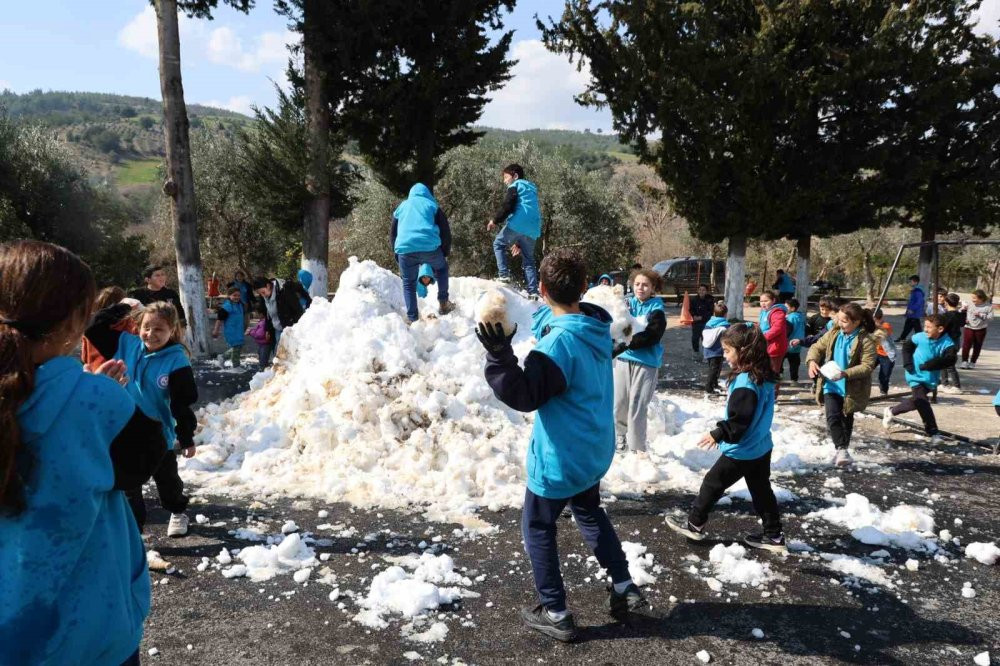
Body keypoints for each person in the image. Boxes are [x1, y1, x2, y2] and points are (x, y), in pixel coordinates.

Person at [0, 240, 166, 666]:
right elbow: (145, 457)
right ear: (74, 321)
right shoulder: (95, 403)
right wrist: (101, 394)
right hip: (88, 634)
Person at [477, 247, 645, 642]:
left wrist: (500, 356)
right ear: (584, 288)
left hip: (560, 458)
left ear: (542, 288)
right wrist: (542, 308)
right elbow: (556, 323)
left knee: (538, 526)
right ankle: (623, 584)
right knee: (589, 512)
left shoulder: (553, 351)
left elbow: (524, 396)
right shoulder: (593, 325)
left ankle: (555, 611)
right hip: (592, 450)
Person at [666, 323, 785, 552]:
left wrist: (718, 433)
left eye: (728, 350)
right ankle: (774, 535)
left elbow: (740, 420)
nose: (724, 355)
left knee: (712, 484)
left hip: (742, 450)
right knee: (762, 492)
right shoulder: (762, 376)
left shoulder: (745, 384)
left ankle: (695, 524)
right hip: (760, 446)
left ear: (745, 352)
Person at [86, 301, 198, 537]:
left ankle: (177, 510)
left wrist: (185, 436)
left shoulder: (176, 360)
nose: (151, 334)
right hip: (124, 432)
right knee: (128, 487)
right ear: (138, 327)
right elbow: (92, 328)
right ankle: (134, 531)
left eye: (159, 329)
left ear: (172, 330)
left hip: (158, 436)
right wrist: (122, 307)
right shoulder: (126, 344)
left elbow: (181, 403)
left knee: (167, 482)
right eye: (147, 327)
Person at [806, 304, 878, 467]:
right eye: (839, 319)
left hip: (850, 388)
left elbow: (867, 365)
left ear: (857, 322)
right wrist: (811, 361)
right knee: (832, 417)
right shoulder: (833, 333)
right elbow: (816, 347)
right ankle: (841, 448)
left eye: (844, 321)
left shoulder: (865, 340)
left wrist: (846, 373)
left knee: (846, 418)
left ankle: (842, 450)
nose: (840, 323)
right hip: (830, 384)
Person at [614, 269, 667, 454]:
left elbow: (653, 335)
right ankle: (619, 438)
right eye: (637, 284)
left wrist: (627, 343)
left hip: (646, 362)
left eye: (645, 285)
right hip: (623, 360)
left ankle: (637, 450)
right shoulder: (626, 305)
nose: (640, 288)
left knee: (637, 406)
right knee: (619, 402)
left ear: (653, 288)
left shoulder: (656, 310)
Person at [883, 314, 957, 445]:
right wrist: (907, 364)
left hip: (930, 378)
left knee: (917, 401)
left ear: (940, 329)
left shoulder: (947, 343)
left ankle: (891, 411)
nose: (925, 329)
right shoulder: (919, 337)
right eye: (925, 326)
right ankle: (933, 432)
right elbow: (907, 347)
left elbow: (950, 359)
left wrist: (930, 365)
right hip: (914, 374)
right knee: (922, 401)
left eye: (929, 327)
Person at [391, 183, 455, 322]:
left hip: (405, 250)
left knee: (408, 283)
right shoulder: (432, 206)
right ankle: (444, 302)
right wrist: (443, 253)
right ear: (428, 194)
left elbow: (393, 233)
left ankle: (412, 318)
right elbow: (445, 231)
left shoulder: (402, 206)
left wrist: (397, 254)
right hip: (430, 248)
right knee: (442, 268)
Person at [487, 164, 541, 298]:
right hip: (533, 228)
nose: (504, 181)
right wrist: (519, 242)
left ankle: (504, 275)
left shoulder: (515, 186)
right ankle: (533, 292)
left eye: (506, 177)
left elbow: (508, 206)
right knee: (529, 260)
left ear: (515, 176)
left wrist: (495, 220)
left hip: (518, 223)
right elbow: (529, 210)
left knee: (498, 244)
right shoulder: (532, 189)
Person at [80, 286, 139, 372]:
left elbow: (84, 356)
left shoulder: (90, 322)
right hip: (118, 370)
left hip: (93, 369)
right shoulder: (125, 323)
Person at [252, 276, 310, 344]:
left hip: (290, 329)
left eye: (263, 292)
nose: (262, 295)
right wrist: (268, 329)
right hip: (277, 329)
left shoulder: (284, 291)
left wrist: (293, 327)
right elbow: (269, 315)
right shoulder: (265, 296)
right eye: (260, 294)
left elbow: (298, 310)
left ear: (268, 286)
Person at [702, 301, 730, 396]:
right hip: (717, 351)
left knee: (713, 369)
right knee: (715, 370)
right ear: (725, 314)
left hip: (708, 350)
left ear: (714, 313)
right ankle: (709, 388)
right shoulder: (725, 325)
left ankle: (714, 384)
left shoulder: (709, 323)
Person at [212, 286, 246, 367]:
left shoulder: (240, 304)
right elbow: (219, 319)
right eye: (234, 295)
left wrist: (246, 326)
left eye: (238, 295)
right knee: (236, 347)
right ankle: (236, 366)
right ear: (229, 296)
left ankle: (223, 357)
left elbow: (244, 316)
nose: (237, 297)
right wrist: (216, 330)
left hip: (239, 330)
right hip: (231, 331)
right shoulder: (227, 307)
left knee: (239, 347)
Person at [757, 290, 789, 374]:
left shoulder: (777, 312)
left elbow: (777, 328)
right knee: (764, 370)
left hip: (775, 347)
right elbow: (762, 325)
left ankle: (774, 387)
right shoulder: (764, 312)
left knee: (773, 372)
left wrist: (763, 337)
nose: (763, 303)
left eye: (766, 301)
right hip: (765, 345)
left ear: (773, 300)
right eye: (761, 301)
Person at [939, 293, 965, 392]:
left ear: (946, 302)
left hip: (948, 342)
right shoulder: (959, 314)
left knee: (949, 364)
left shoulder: (946, 316)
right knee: (943, 363)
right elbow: (963, 323)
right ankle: (944, 383)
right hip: (955, 341)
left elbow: (943, 329)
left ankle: (956, 386)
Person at [961, 289, 992, 369]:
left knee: (977, 346)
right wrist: (964, 317)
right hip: (969, 327)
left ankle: (973, 362)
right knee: (966, 345)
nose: (972, 300)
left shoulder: (988, 306)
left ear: (981, 298)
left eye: (975, 298)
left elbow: (991, 318)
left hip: (981, 329)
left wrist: (981, 315)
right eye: (972, 298)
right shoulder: (969, 304)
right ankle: (964, 361)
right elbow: (962, 312)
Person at [873, 308, 896, 396]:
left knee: (884, 376)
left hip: (887, 355)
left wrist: (873, 324)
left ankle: (883, 392)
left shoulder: (886, 325)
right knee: (866, 370)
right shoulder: (871, 326)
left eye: (878, 319)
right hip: (875, 353)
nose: (877, 321)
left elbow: (883, 330)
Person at [784, 298, 807, 384]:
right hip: (798, 344)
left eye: (786, 307)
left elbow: (787, 330)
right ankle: (794, 380)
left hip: (789, 343)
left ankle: (779, 376)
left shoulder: (791, 317)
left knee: (780, 361)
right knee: (794, 364)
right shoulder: (801, 316)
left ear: (793, 308)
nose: (784, 308)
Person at [690, 283, 714, 360]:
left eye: (703, 290)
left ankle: (706, 355)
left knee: (705, 338)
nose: (701, 291)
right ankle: (695, 352)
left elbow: (710, 312)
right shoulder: (694, 299)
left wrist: (701, 317)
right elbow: (691, 309)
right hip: (696, 322)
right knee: (695, 338)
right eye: (700, 290)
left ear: (706, 291)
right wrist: (694, 316)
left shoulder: (710, 299)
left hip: (706, 322)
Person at [897, 275, 925, 341]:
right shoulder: (915, 290)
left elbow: (919, 302)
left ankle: (922, 340)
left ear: (915, 282)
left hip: (914, 313)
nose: (910, 283)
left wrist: (912, 309)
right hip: (912, 313)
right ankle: (902, 338)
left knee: (916, 328)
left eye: (911, 281)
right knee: (908, 327)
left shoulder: (918, 291)